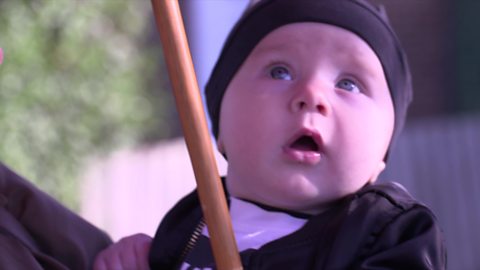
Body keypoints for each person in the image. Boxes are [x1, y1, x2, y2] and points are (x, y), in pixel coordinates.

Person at [94, 0, 447, 269]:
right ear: (218, 130)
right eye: (280, 72)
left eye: (349, 84)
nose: (312, 94)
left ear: (381, 156)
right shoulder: (187, 224)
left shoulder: (389, 235)